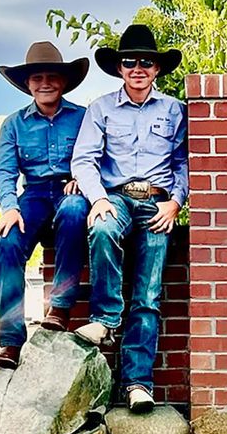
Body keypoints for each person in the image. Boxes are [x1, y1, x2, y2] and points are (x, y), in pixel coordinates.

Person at [70, 24, 188, 413]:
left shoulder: (174, 110)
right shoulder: (100, 108)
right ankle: (104, 319)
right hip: (117, 197)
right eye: (130, 62)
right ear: (120, 68)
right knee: (101, 228)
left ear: (156, 69)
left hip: (157, 204)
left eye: (146, 62)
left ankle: (138, 382)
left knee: (149, 295)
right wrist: (98, 198)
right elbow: (83, 159)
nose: (138, 68)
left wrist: (176, 202)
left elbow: (184, 163)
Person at [0, 42, 91, 369]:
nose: (45, 82)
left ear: (63, 81)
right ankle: (10, 341)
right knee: (6, 243)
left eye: (52, 76)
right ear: (28, 84)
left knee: (75, 209)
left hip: (70, 188)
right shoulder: (14, 124)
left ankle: (60, 308)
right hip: (32, 194)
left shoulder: (83, 118)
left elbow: (99, 157)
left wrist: (83, 178)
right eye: (37, 77)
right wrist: (9, 207)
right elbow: (4, 171)